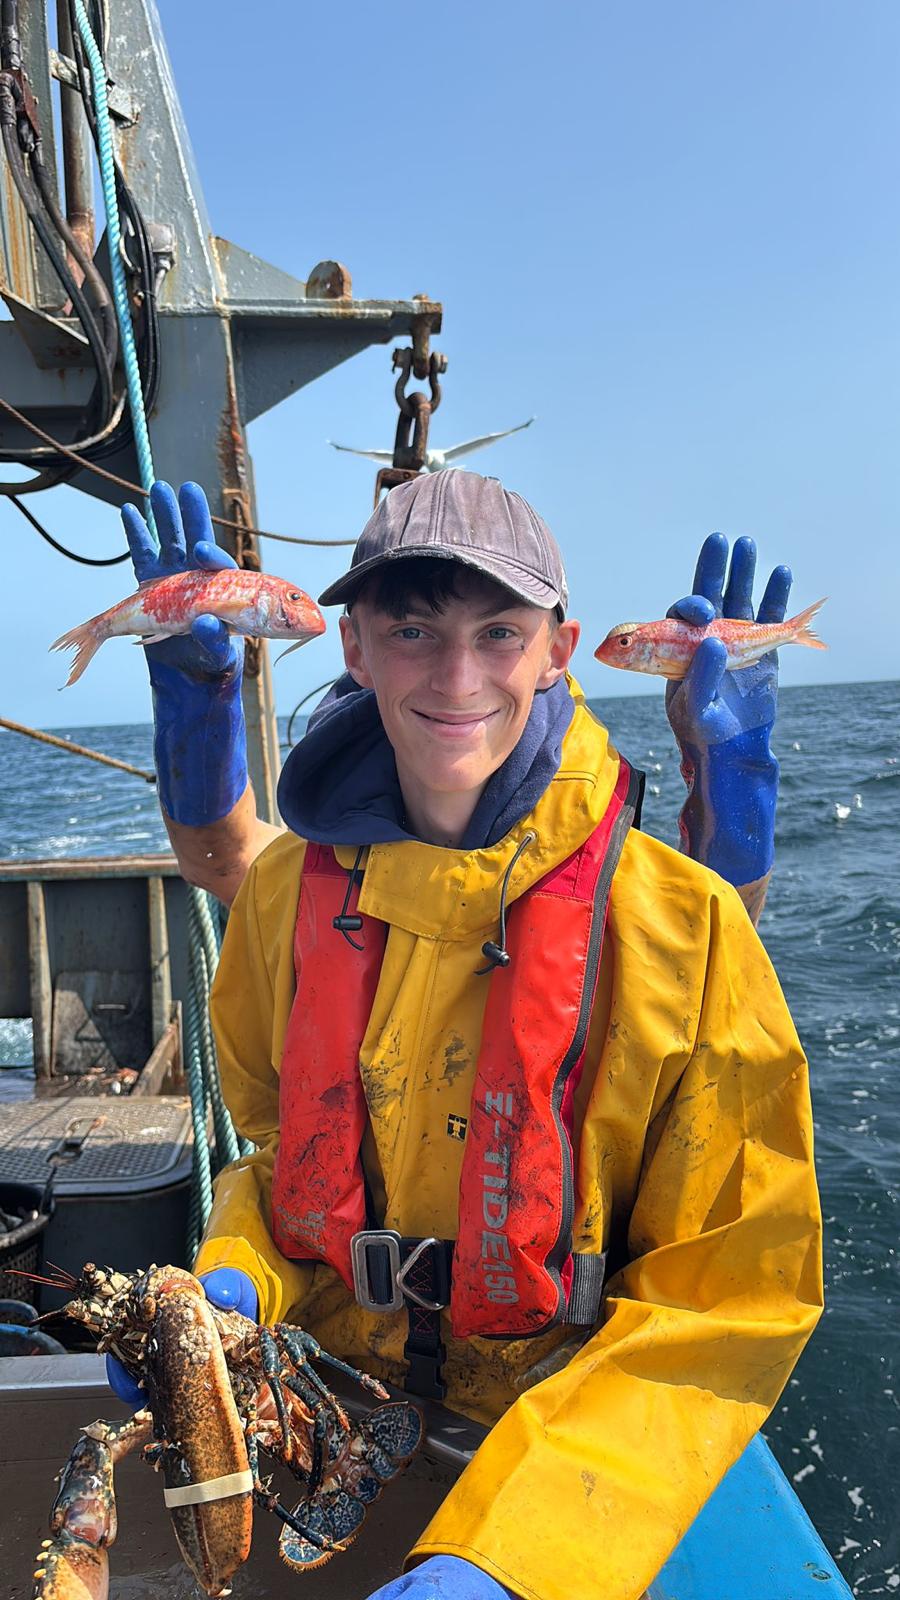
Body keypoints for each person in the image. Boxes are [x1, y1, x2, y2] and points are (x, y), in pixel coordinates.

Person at [118, 472, 822, 1600]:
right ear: (351, 645)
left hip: (576, 1441)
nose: (456, 676)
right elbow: (277, 1156)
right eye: (411, 629)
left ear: (560, 649)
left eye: (500, 630)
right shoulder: (284, 897)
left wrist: (511, 1561)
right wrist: (228, 1285)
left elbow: (729, 1294)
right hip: (332, 1410)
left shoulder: (682, 923)